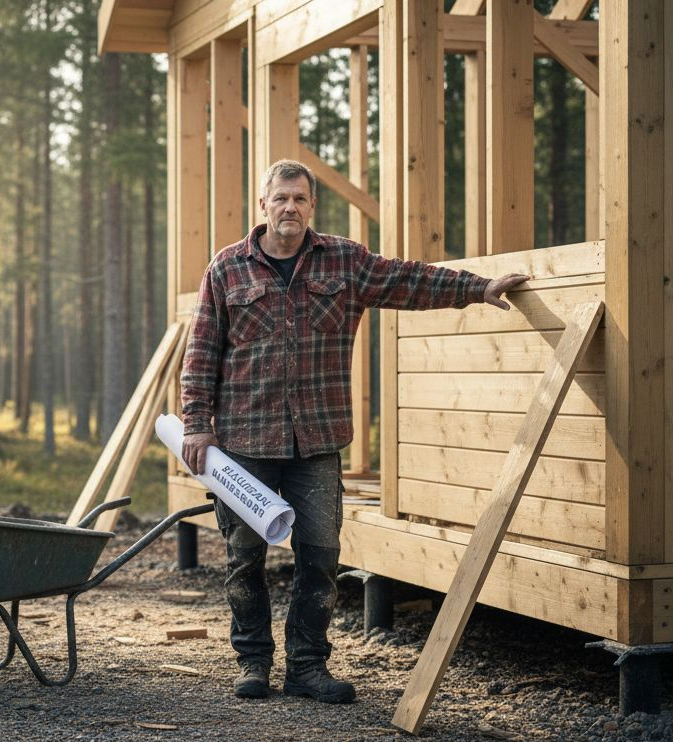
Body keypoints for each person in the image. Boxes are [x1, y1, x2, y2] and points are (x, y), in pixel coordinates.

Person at [180, 159, 529, 704]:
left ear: (311, 205)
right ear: (263, 205)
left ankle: (307, 667)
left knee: (320, 558)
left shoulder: (344, 261)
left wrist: (479, 288)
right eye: (281, 198)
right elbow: (201, 352)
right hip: (245, 444)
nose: (290, 207)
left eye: (300, 198)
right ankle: (252, 663)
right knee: (243, 555)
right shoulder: (226, 270)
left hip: (316, 442)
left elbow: (410, 280)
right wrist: (197, 425)